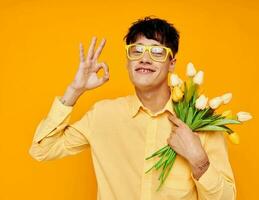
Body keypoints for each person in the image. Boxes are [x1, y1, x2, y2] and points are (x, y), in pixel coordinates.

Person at [29, 16, 236, 200]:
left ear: (172, 62)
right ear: (128, 61)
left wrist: (199, 160)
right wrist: (74, 90)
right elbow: (41, 149)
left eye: (156, 51)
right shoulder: (103, 115)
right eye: (136, 51)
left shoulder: (201, 123)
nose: (144, 58)